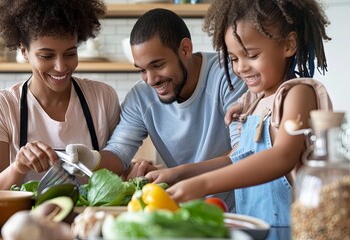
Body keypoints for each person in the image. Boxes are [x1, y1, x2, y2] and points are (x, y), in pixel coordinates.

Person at [146, 0, 332, 227]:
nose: (241, 67)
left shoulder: (298, 93)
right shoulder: (255, 103)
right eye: (234, 59)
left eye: (251, 55)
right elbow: (234, 159)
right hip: (254, 228)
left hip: (289, 230)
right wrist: (180, 172)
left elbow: (282, 156)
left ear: (288, 45)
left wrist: (203, 184)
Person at [64, 8, 247, 211]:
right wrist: (90, 159)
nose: (150, 80)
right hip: (184, 213)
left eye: (158, 65)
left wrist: (177, 173)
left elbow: (245, 152)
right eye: (142, 70)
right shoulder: (140, 98)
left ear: (185, 49)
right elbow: (118, 153)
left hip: (241, 210)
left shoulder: (229, 75)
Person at [0, 0, 120, 190]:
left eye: (70, 54)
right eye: (46, 56)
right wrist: (18, 168)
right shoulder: (0, 107)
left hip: (91, 218)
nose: (61, 67)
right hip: (26, 219)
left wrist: (136, 169)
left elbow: (119, 172)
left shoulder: (103, 98)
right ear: (24, 51)